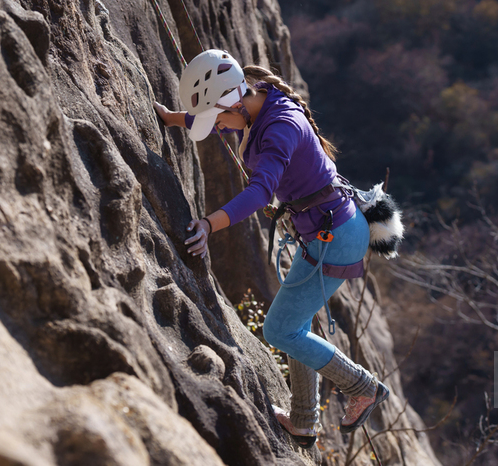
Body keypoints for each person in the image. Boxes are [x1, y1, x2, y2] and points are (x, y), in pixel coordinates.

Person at [154, 49, 389, 448]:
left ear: (235, 101)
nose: (221, 127)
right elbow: (212, 117)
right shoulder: (249, 100)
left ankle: (362, 387)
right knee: (294, 329)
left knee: (280, 330)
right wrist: (174, 119)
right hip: (327, 232)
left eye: (222, 119)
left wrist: (210, 224)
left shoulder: (279, 126)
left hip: (336, 238)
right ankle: (303, 422)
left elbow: (261, 191)